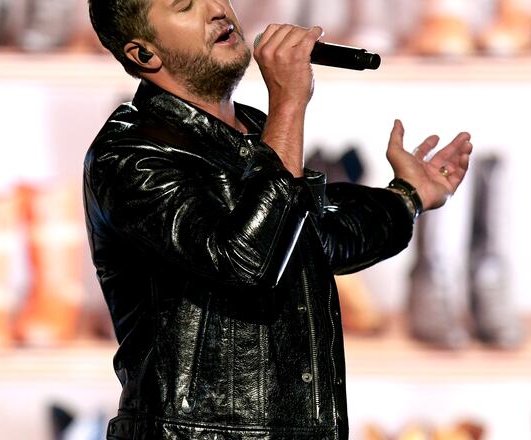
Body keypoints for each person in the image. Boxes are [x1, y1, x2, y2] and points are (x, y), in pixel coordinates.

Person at [83, 0, 473, 438]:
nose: (217, 9)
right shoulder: (127, 157)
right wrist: (288, 103)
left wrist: (409, 195)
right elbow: (247, 262)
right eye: (186, 6)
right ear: (144, 53)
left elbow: (318, 241)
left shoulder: (254, 133)